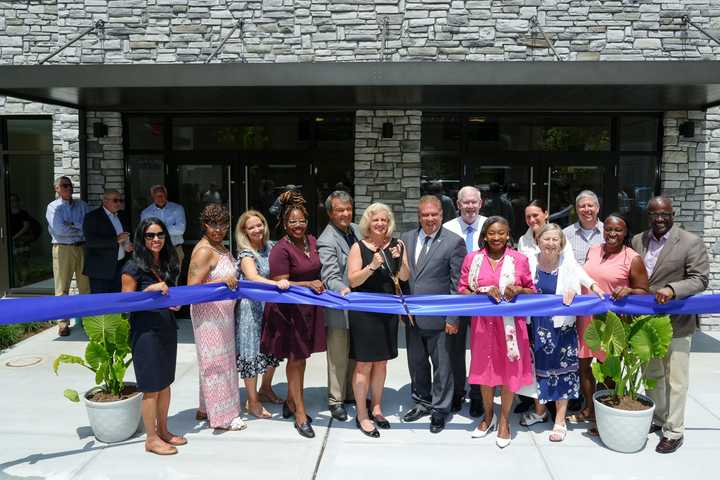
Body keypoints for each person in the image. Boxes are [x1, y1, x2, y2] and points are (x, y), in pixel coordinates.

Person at [632, 197, 709, 454]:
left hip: (678, 323)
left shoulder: (690, 241)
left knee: (675, 379)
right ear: (649, 215)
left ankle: (674, 431)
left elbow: (700, 279)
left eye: (665, 214)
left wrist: (673, 289)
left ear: (672, 214)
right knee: (652, 375)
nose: (660, 219)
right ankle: (659, 419)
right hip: (646, 323)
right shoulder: (637, 240)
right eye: (655, 214)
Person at [457, 216, 535, 448]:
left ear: (508, 234)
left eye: (501, 233)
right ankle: (488, 417)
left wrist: (518, 289)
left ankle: (504, 422)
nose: (496, 237)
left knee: (508, 373)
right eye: (492, 233)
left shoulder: (519, 259)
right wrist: (482, 291)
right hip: (483, 326)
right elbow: (462, 289)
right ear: (485, 235)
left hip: (511, 327)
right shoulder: (473, 258)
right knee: (486, 372)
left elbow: (532, 290)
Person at [523, 223, 605, 442]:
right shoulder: (529, 261)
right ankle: (540, 412)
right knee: (537, 369)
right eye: (546, 239)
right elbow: (518, 282)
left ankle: (560, 420)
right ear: (538, 241)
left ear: (561, 243)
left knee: (563, 371)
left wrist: (593, 288)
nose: (551, 244)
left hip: (563, 327)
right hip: (536, 326)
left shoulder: (568, 262)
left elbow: (585, 278)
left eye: (555, 240)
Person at [571, 212, 649, 429]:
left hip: (612, 322)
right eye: (609, 229)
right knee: (584, 366)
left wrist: (630, 290)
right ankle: (589, 408)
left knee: (607, 369)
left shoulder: (632, 258)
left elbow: (645, 291)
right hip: (586, 318)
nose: (612, 233)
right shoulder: (593, 250)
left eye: (618, 230)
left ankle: (603, 414)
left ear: (625, 233)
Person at [261, 191, 326, 439]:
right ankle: (300, 413)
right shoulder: (281, 249)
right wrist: (309, 284)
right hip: (289, 313)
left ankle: (291, 400)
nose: (298, 225)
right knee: (295, 360)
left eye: (301, 221)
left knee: (302, 360)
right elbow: (281, 284)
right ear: (284, 224)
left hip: (309, 312)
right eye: (292, 222)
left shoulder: (311, 240)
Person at [400, 196, 465, 433]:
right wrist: (402, 308)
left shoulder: (454, 242)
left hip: (440, 319)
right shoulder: (405, 239)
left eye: (434, 214)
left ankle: (440, 409)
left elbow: (458, 284)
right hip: (412, 317)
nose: (429, 219)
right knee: (416, 364)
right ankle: (422, 401)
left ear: (441, 215)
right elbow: (402, 277)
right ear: (419, 216)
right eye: (425, 215)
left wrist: (452, 318)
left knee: (443, 367)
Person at [121, 217, 185, 455]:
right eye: (150, 235)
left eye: (160, 234)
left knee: (165, 383)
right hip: (145, 332)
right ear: (142, 238)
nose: (156, 239)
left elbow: (170, 293)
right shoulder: (133, 267)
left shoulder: (168, 262)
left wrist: (174, 303)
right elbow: (125, 303)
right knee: (151, 386)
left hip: (166, 327)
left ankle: (164, 430)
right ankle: (151, 438)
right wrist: (149, 290)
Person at [347, 202, 409, 438]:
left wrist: (400, 259)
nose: (380, 224)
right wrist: (372, 266)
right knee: (364, 364)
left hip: (387, 311)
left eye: (384, 219)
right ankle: (362, 414)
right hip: (364, 313)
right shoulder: (358, 247)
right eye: (376, 220)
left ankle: (377, 407)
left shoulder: (398, 244)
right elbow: (353, 281)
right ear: (368, 223)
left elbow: (404, 277)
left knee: (382, 362)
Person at [187, 203, 246, 431]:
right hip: (208, 316)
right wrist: (220, 282)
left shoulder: (220, 246)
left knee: (220, 361)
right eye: (213, 224)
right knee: (215, 364)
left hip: (224, 315)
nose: (218, 229)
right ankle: (222, 418)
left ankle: (205, 408)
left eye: (222, 224)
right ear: (204, 225)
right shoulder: (204, 250)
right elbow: (192, 288)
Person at [515, 199, 572, 414]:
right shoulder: (523, 241)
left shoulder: (560, 242)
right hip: (534, 319)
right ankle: (534, 404)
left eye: (535, 215)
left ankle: (558, 411)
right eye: (528, 216)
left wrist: (581, 288)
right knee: (533, 362)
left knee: (558, 364)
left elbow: (574, 273)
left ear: (545, 214)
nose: (532, 220)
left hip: (558, 319)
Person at [234, 210, 288, 419]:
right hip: (251, 311)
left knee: (271, 350)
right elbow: (253, 277)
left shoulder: (272, 247)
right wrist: (277, 284)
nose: (257, 229)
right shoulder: (246, 254)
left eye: (260, 225)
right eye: (251, 227)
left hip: (270, 307)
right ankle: (253, 401)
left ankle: (266, 388)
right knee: (252, 353)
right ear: (244, 232)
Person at [317, 190, 362, 422]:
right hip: (339, 304)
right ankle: (336, 400)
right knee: (338, 355)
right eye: (340, 210)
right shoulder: (326, 239)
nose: (345, 214)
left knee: (354, 351)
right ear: (330, 213)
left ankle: (350, 393)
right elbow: (329, 274)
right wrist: (341, 288)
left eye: (348, 209)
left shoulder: (355, 230)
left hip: (358, 305)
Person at [443, 185, 487, 417]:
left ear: (481, 203)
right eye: (465, 202)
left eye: (474, 202)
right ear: (457, 204)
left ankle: (478, 394)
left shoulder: (491, 227)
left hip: (483, 301)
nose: (470, 206)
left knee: (480, 349)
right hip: (457, 299)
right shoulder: (447, 229)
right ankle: (457, 393)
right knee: (454, 350)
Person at [45, 176, 90, 336]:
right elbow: (59, 230)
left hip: (81, 247)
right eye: (64, 186)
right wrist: (77, 226)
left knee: (85, 286)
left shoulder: (82, 205)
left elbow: (87, 227)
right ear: (56, 189)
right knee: (62, 288)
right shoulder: (53, 207)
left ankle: (88, 321)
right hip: (62, 249)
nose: (68, 188)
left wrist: (70, 225)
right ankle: (63, 323)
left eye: (70, 185)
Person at [83, 189, 133, 294]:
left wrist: (127, 245)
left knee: (117, 300)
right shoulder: (92, 217)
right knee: (100, 303)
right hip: (100, 270)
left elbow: (124, 236)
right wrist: (116, 239)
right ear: (105, 201)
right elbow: (91, 242)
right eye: (115, 200)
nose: (119, 203)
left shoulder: (122, 216)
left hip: (119, 266)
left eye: (120, 200)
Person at [140, 185, 187, 266]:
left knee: (175, 277)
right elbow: (145, 233)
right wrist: (171, 227)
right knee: (157, 278)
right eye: (157, 196)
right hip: (155, 251)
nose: (160, 198)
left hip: (175, 249)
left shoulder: (178, 208)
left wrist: (157, 229)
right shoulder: (146, 213)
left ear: (166, 195)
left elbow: (181, 229)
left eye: (162, 195)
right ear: (152, 197)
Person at [563, 190, 604, 266]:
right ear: (577, 210)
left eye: (590, 206)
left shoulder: (607, 232)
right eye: (582, 206)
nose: (586, 209)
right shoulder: (565, 234)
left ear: (598, 208)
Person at [9, 193, 41, 285]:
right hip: (11, 242)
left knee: (23, 261)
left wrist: (15, 237)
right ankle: (17, 281)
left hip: (22, 240)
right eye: (11, 201)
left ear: (18, 202)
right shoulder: (6, 213)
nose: (13, 203)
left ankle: (24, 281)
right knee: (14, 262)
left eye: (15, 200)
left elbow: (26, 227)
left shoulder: (23, 213)